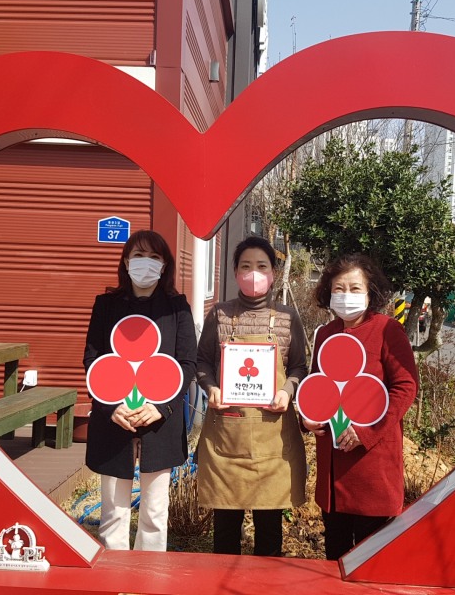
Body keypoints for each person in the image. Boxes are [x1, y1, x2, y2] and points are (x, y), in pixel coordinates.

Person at [83, 230, 197, 551]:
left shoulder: (177, 307)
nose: (145, 263)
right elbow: (93, 360)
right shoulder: (105, 305)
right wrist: (110, 407)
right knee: (113, 512)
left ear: (165, 265)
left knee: (154, 513)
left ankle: (149, 579)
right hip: (114, 420)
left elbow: (186, 363)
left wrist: (161, 407)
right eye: (138, 255)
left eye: (155, 257)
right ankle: (113, 580)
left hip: (160, 423)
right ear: (125, 261)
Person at [301, 253, 418, 560]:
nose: (346, 296)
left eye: (355, 289)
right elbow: (318, 387)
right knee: (335, 558)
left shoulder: (387, 330)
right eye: (339, 289)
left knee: (371, 563)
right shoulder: (326, 333)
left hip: (372, 466)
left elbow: (406, 386)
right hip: (333, 466)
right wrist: (308, 418)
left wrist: (366, 432)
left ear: (371, 293)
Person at [196, 236, 307, 557]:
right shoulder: (219, 315)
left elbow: (299, 365)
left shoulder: (286, 317)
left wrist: (288, 391)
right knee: (226, 530)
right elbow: (202, 361)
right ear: (235, 272)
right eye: (246, 266)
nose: (254, 273)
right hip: (226, 438)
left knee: (269, 529)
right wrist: (211, 387)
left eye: (261, 266)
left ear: (273, 272)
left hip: (273, 438)